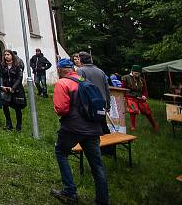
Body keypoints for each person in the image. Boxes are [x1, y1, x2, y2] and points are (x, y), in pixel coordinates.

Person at [50, 58, 109, 205]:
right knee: (97, 165)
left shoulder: (62, 83)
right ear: (73, 69)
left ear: (59, 70)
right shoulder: (84, 81)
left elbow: (62, 109)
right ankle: (102, 200)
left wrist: (57, 109)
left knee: (61, 152)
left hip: (73, 128)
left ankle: (70, 191)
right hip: (94, 128)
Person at [122, 65, 159, 132]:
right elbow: (122, 89)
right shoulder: (125, 78)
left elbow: (145, 90)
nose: (137, 74)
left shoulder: (142, 80)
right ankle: (133, 127)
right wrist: (124, 97)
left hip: (139, 97)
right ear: (132, 72)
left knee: (147, 111)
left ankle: (154, 125)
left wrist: (144, 96)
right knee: (133, 110)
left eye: (138, 73)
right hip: (129, 97)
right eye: (136, 73)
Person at [0, 49, 26, 131]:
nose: (6, 56)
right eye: (5, 55)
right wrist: (2, 86)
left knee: (17, 107)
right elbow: (1, 76)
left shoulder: (17, 65)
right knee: (5, 105)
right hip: (6, 88)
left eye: (8, 54)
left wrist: (13, 88)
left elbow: (19, 77)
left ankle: (18, 126)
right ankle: (8, 124)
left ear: (12, 55)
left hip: (16, 89)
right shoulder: (3, 65)